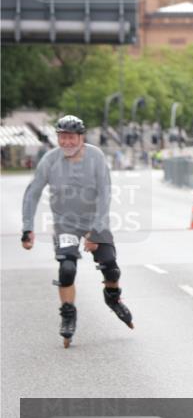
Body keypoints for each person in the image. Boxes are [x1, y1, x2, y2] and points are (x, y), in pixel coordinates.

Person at [21, 115, 134, 348]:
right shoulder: (50, 160)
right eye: (62, 137)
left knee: (110, 267)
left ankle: (112, 298)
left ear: (81, 137)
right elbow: (32, 193)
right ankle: (68, 315)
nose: (67, 142)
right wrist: (27, 228)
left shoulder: (96, 157)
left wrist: (97, 230)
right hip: (66, 223)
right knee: (67, 268)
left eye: (71, 137)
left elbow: (105, 193)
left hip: (94, 220)